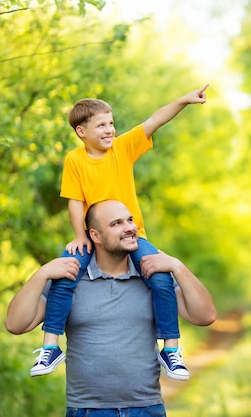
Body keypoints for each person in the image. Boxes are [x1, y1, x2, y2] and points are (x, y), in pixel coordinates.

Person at [31, 85, 209, 380]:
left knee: (160, 276)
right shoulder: (75, 160)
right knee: (64, 274)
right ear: (81, 131)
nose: (110, 129)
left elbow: (155, 120)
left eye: (111, 123)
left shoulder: (123, 148)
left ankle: (171, 348)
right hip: (94, 236)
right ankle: (51, 346)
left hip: (132, 234)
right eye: (101, 125)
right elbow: (75, 202)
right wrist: (79, 236)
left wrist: (184, 100)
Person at [5, 200, 217, 416]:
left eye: (130, 220)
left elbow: (205, 315)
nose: (129, 228)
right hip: (87, 410)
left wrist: (177, 267)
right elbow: (16, 324)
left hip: (146, 409)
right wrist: (42, 273)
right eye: (116, 223)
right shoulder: (70, 278)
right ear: (95, 235)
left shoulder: (152, 275)